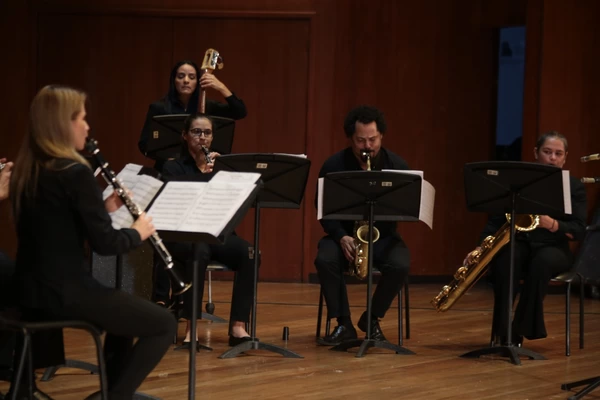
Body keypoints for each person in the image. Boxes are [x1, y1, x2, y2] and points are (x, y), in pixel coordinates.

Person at [7, 85, 177, 400]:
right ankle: (116, 396)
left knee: (123, 312)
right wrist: (137, 232)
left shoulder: (27, 171)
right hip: (66, 292)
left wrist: (102, 208)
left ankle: (111, 390)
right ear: (63, 124)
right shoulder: (75, 171)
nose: (87, 126)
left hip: (29, 290)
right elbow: (106, 243)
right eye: (82, 119)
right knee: (164, 323)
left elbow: (56, 226)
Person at [138, 59, 247, 309]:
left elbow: (240, 111)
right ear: (173, 80)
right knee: (166, 232)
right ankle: (162, 298)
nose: (186, 81)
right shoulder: (159, 107)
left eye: (191, 76)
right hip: (172, 173)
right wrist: (172, 160)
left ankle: (185, 305)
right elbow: (144, 144)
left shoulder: (207, 106)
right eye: (180, 76)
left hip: (202, 172)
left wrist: (220, 86)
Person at [477, 131, 587, 346]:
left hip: (555, 247)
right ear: (536, 153)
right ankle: (502, 331)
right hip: (521, 241)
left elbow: (579, 229)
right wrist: (479, 247)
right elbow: (496, 220)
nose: (552, 158)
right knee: (505, 258)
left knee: (542, 261)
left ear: (565, 157)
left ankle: (518, 329)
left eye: (558, 153)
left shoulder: (574, 187)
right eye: (547, 152)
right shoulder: (517, 184)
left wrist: (553, 224)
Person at [314, 105, 411, 346]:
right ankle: (343, 323)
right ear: (350, 138)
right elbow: (321, 208)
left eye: (372, 139)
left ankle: (372, 319)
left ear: (382, 136)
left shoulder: (397, 167)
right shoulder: (334, 166)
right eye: (360, 141)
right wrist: (340, 236)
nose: (367, 147)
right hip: (344, 236)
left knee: (400, 263)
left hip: (383, 236)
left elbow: (406, 206)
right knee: (325, 259)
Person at [161, 112, 255, 347]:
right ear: (185, 136)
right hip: (183, 236)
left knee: (250, 253)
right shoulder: (173, 168)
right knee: (199, 251)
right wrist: (202, 176)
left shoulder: (222, 167)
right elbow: (177, 205)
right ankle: (191, 328)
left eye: (207, 133)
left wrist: (223, 178)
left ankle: (238, 326)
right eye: (196, 132)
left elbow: (231, 208)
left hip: (217, 233)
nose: (202, 138)